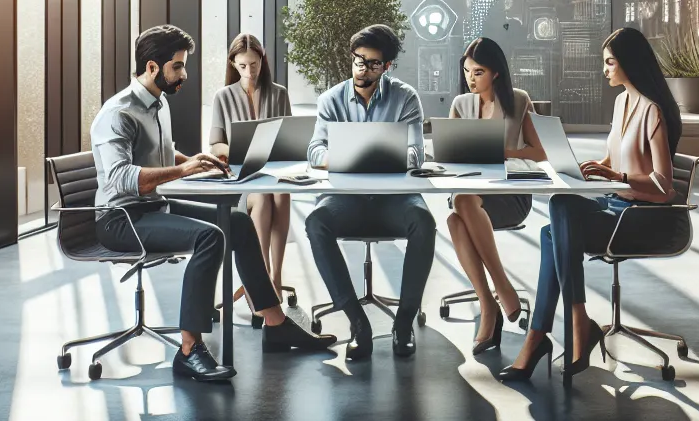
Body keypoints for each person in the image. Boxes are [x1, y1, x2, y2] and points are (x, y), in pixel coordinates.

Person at [89, 25, 335, 383]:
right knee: (211, 237)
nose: (184, 74)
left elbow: (156, 153)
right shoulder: (118, 114)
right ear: (153, 67)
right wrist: (182, 169)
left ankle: (276, 323)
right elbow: (119, 178)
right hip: (121, 219)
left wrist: (194, 160)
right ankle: (189, 349)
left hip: (153, 207)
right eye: (178, 66)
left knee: (237, 221)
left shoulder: (158, 104)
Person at [497, 27, 690, 383]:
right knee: (558, 214)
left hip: (644, 217)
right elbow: (616, 157)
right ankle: (570, 325)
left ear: (630, 64)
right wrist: (595, 168)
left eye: (610, 62)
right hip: (618, 203)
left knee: (555, 228)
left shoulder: (653, 111)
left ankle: (553, 333)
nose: (605, 70)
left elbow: (664, 188)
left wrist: (616, 175)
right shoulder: (622, 102)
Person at [304, 23, 431, 362]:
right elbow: (315, 151)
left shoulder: (405, 97)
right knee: (316, 222)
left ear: (386, 66)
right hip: (346, 198)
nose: (362, 68)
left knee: (423, 220)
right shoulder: (331, 99)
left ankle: (403, 322)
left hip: (395, 197)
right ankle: (357, 322)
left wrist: (366, 158)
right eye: (358, 60)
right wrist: (350, 158)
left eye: (372, 63)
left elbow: (416, 154)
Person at [447, 37, 548, 354]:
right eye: (467, 71)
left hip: (510, 195)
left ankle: (494, 298)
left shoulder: (518, 101)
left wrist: (497, 152)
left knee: (458, 212)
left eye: (478, 71)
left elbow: (539, 153)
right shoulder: (460, 104)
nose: (470, 78)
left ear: (496, 73)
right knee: (456, 213)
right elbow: (451, 154)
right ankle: (492, 299)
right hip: (471, 192)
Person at [209, 33, 297, 319]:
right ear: (233, 63)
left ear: (262, 61)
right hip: (242, 176)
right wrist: (241, 150)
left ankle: (275, 278)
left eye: (254, 64)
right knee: (262, 199)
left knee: (281, 193)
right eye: (243, 65)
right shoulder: (223, 96)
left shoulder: (279, 93)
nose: (250, 71)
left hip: (274, 170)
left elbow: (290, 137)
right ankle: (259, 280)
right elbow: (215, 145)